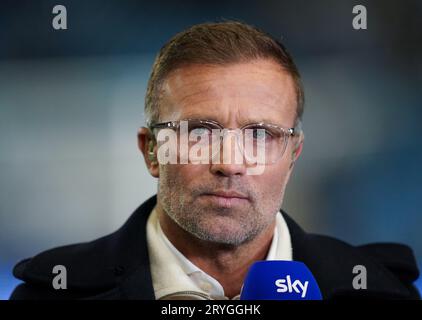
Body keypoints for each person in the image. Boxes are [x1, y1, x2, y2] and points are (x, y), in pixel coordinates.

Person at [9, 21, 420, 300]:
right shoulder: (51, 292)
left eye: (260, 135)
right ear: (152, 150)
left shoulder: (379, 290)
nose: (230, 163)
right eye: (199, 132)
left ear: (292, 156)